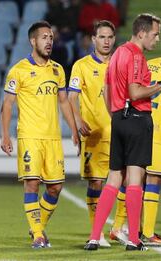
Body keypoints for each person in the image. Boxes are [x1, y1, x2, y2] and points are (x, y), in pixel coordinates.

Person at [84, 13, 161, 251]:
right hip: (137, 119)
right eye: (155, 33)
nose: (157, 39)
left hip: (118, 119)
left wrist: (116, 116)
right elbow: (136, 93)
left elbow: (107, 89)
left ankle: (95, 237)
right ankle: (135, 240)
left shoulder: (117, 53)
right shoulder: (137, 56)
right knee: (136, 178)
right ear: (142, 33)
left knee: (114, 178)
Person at [0, 21, 80, 248]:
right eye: (44, 37)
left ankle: (37, 226)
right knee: (32, 184)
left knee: (55, 187)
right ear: (32, 41)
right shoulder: (18, 70)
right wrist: (5, 135)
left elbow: (63, 102)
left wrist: (74, 129)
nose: (49, 41)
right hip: (30, 137)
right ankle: (37, 234)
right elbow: (7, 105)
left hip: (53, 138)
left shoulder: (57, 69)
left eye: (51, 38)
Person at [109, 30, 161, 246]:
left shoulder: (147, 62)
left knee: (131, 180)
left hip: (137, 125)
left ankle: (117, 227)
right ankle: (148, 232)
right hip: (160, 132)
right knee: (153, 181)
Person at [68, 20, 116, 248]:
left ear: (114, 39)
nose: (106, 41)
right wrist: (77, 121)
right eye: (102, 37)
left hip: (119, 132)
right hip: (94, 134)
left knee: (127, 180)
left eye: (109, 37)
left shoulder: (119, 63)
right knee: (96, 182)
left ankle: (120, 227)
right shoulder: (81, 66)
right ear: (93, 40)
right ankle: (96, 232)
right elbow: (71, 97)